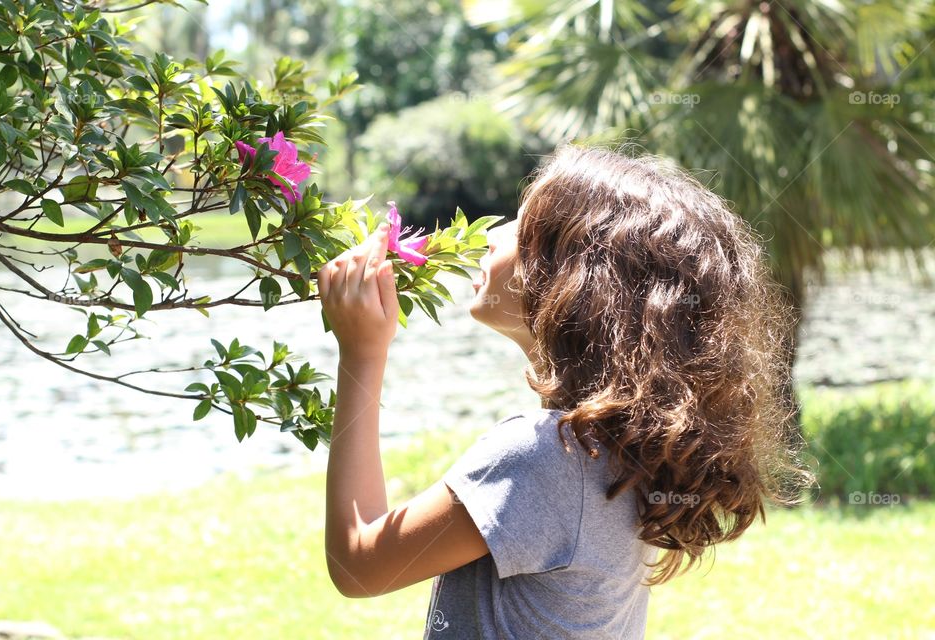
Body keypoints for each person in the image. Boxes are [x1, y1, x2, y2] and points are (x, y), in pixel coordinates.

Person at [316, 144, 809, 639]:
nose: (491, 235)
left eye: (522, 228)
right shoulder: (623, 453)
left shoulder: (543, 457)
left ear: (576, 280)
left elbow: (360, 562)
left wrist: (361, 353)